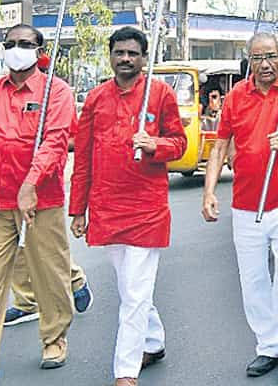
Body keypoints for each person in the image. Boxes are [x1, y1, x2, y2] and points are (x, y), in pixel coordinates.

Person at [0, 24, 76, 386]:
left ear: (39, 51)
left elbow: (55, 142)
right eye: (11, 44)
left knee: (49, 274)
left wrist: (31, 184)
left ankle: (54, 338)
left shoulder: (57, 91)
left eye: (25, 44)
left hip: (41, 200)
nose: (17, 49)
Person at [69, 26, 187, 386]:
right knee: (129, 287)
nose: (125, 59)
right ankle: (152, 341)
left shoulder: (161, 94)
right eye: (119, 53)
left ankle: (125, 371)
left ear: (143, 58)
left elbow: (179, 143)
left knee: (134, 293)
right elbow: (84, 157)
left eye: (132, 54)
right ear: (110, 56)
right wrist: (78, 209)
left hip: (147, 209)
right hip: (106, 207)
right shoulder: (95, 98)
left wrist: (155, 144)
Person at [201, 32, 278, 385]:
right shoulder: (236, 96)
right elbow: (221, 145)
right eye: (257, 58)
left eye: (271, 56)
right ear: (249, 61)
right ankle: (267, 346)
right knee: (252, 278)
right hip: (245, 201)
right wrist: (209, 192)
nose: (265, 64)